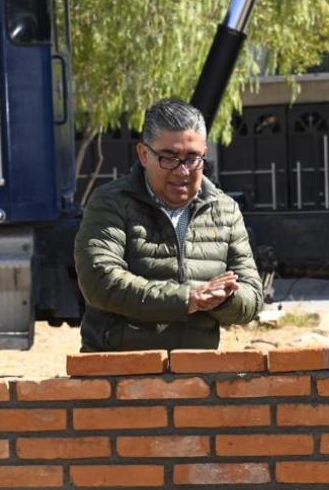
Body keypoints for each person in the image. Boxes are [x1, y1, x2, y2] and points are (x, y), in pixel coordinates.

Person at [74, 99, 263, 351]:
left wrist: (225, 299)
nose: (182, 171)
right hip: (120, 365)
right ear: (144, 154)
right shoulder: (110, 203)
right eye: (169, 158)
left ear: (204, 154)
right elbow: (100, 281)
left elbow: (253, 296)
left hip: (196, 367)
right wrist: (187, 299)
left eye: (192, 158)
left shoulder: (224, 210)